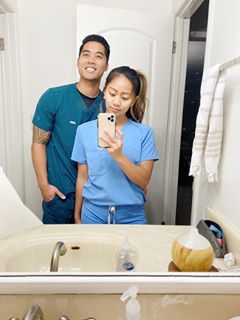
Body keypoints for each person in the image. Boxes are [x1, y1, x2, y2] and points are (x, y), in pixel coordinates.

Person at [31, 34, 110, 224]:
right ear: (78, 61)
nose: (91, 60)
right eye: (86, 54)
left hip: (95, 199)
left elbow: (109, 153)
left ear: (106, 65)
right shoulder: (53, 97)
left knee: (92, 251)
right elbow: (38, 143)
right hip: (59, 197)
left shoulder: (109, 107)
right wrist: (44, 187)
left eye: (99, 56)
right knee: (57, 250)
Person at [71, 66, 159, 224]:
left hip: (131, 216)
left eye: (125, 97)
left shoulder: (144, 134)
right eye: (112, 94)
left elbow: (144, 180)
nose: (117, 102)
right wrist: (77, 214)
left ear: (134, 100)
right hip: (92, 214)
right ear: (104, 92)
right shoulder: (84, 131)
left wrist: (119, 157)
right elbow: (82, 177)